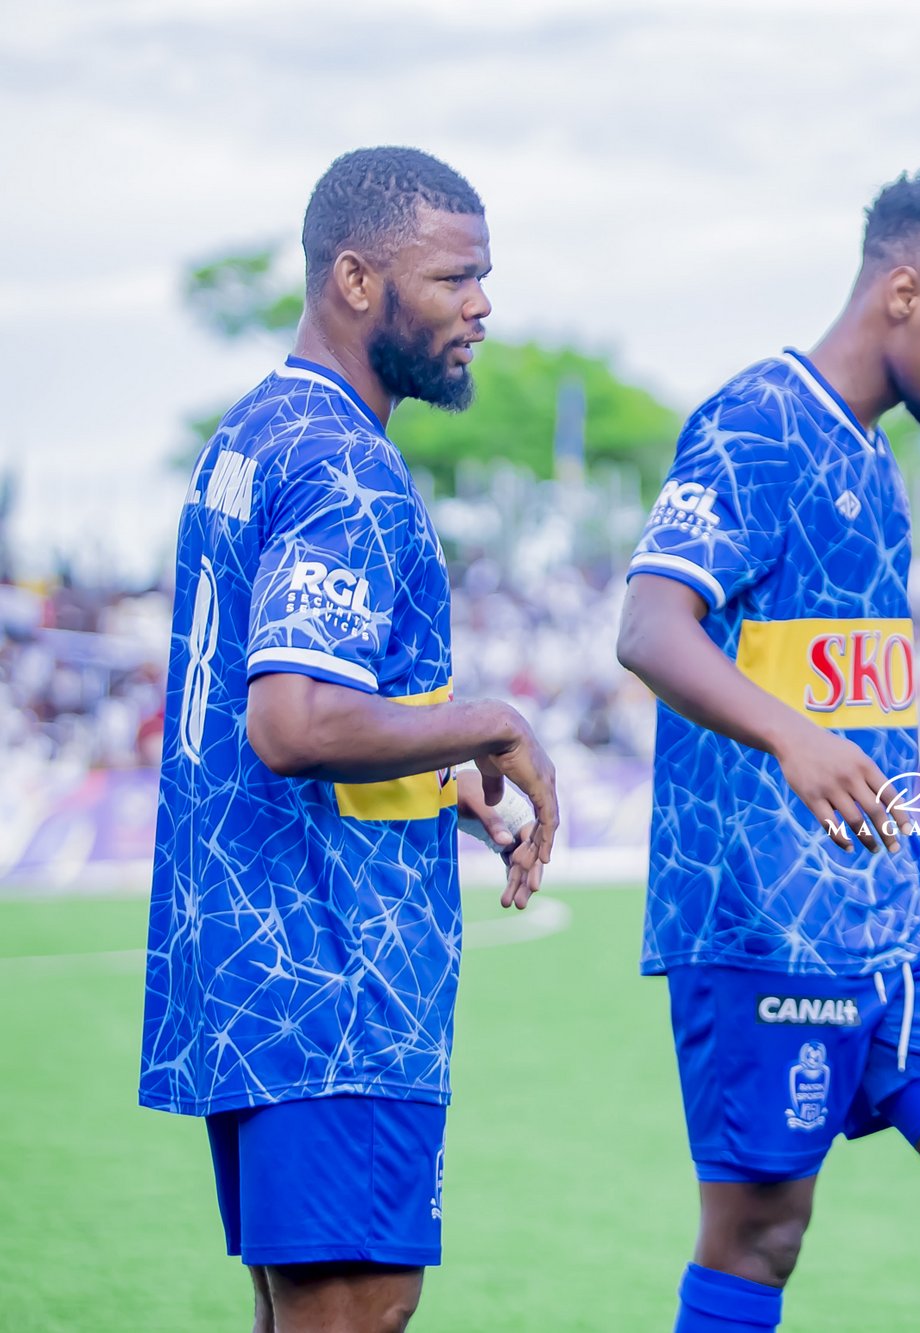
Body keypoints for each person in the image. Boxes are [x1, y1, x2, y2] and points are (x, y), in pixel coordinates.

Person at [614, 171, 920, 1333]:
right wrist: (794, 738)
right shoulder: (756, 422)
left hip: (897, 909)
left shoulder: (871, 455)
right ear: (902, 292)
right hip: (764, 914)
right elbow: (649, 627)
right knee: (761, 1235)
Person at [141, 146, 559, 1333]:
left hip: (253, 968)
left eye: (484, 276)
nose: (481, 305)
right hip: (334, 982)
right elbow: (293, 722)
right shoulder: (345, 466)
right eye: (454, 278)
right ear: (357, 279)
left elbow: (292, 706)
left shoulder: (255, 432)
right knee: (355, 1310)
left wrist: (433, 770)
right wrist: (490, 723)